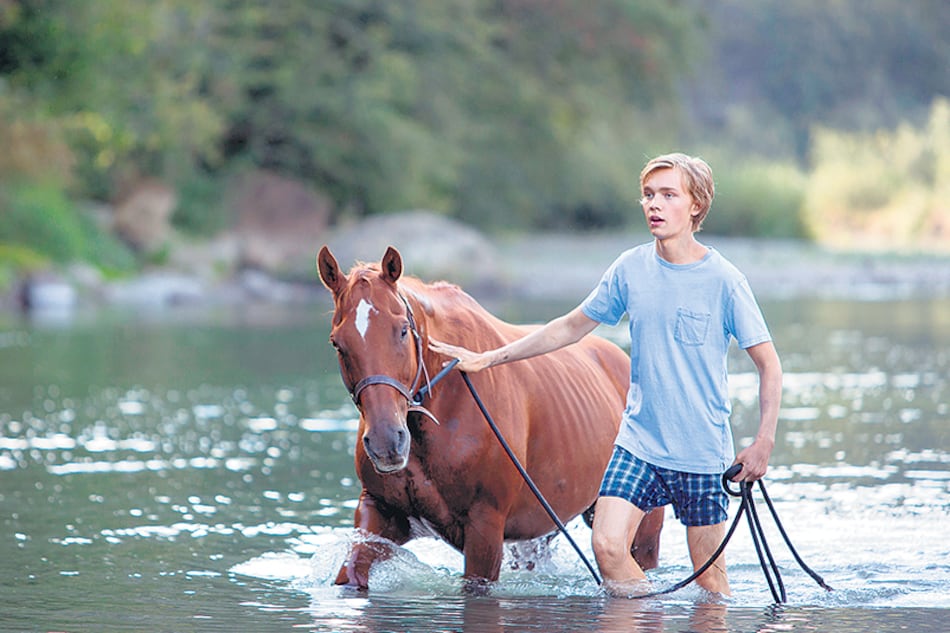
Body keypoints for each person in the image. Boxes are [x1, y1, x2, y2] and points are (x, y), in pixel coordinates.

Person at [429, 153, 783, 597]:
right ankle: (651, 618)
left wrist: (763, 442)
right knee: (608, 547)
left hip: (702, 452)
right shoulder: (630, 268)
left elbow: (769, 364)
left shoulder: (726, 281)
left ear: (696, 206)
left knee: (711, 583)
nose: (654, 204)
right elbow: (570, 327)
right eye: (649, 195)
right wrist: (491, 357)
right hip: (639, 444)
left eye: (669, 195)